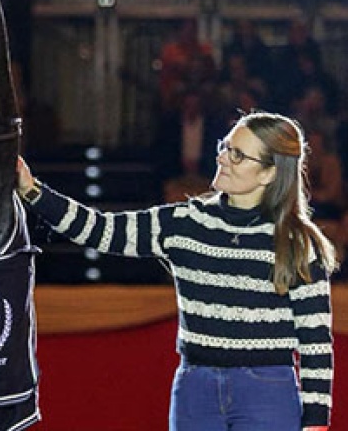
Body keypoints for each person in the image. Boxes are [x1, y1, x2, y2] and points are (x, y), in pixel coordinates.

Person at [17, 111, 336, 431]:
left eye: (237, 155)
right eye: (225, 146)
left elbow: (316, 343)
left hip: (267, 390)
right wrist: (33, 191)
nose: (223, 158)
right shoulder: (184, 222)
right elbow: (100, 229)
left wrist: (316, 421)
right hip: (195, 386)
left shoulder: (298, 243)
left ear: (269, 173)